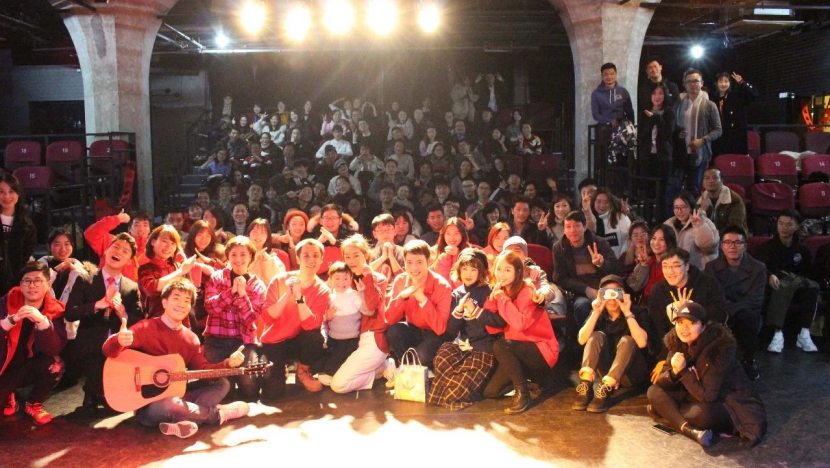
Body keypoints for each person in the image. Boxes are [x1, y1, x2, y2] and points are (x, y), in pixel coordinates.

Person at [102, 279, 250, 438]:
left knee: (222, 384)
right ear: (164, 302)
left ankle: (183, 420)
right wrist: (118, 341)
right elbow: (107, 350)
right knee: (171, 404)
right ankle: (218, 414)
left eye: (186, 301)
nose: (181, 304)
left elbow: (204, 371)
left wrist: (228, 363)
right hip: (150, 406)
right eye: (176, 298)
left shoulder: (191, 338)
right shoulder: (146, 328)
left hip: (177, 397)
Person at [647, 302, 767, 447]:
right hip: (695, 395)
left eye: (691, 323)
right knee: (653, 391)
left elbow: (707, 396)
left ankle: (667, 411)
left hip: (729, 404)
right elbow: (662, 383)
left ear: (703, 326)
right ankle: (689, 430)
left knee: (700, 414)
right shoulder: (677, 343)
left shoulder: (717, 351)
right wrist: (674, 372)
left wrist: (684, 371)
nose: (684, 328)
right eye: (680, 322)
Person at [65, 233, 143, 411]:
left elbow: (139, 320)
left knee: (113, 406)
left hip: (118, 346)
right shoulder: (86, 279)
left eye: (125, 251)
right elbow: (70, 313)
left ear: (129, 261)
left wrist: (123, 313)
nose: (118, 252)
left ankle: (101, 393)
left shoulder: (131, 287)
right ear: (106, 251)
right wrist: (97, 305)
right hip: (90, 345)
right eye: (115, 247)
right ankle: (93, 391)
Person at [481, 251, 559, 414]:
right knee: (490, 392)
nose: (501, 274)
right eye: (499, 269)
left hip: (541, 350)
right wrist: (493, 299)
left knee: (500, 345)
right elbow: (493, 328)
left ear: (517, 272)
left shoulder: (527, 290)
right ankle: (533, 382)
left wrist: (501, 298)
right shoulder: (502, 291)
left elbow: (520, 323)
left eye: (507, 270)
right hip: (517, 351)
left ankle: (523, 393)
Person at [429, 248, 505, 410]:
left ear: (481, 272)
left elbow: (499, 322)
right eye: (464, 268)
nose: (468, 273)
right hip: (464, 346)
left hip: (484, 349)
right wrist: (459, 310)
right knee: (443, 355)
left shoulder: (490, 292)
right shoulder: (457, 293)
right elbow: (451, 331)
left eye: (473, 269)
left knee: (454, 394)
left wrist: (476, 310)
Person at [260, 239, 331, 398]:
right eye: (306, 256)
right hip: (274, 340)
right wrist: (288, 294)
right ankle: (281, 369)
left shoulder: (323, 290)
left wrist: (299, 297)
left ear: (321, 260)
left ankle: (303, 371)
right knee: (273, 394)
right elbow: (269, 318)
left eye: (315, 256)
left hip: (299, 340)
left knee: (315, 338)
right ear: (298, 259)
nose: (311, 260)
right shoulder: (279, 280)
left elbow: (311, 325)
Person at [647, 247, 727, 383]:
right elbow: (657, 329)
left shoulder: (708, 284)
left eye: (675, 266)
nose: (670, 272)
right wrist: (664, 358)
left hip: (703, 347)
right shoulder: (658, 291)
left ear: (687, 266)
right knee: (659, 385)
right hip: (673, 350)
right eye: (665, 266)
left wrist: (691, 310)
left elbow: (720, 315)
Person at [1, 262, 67, 425]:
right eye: (27, 281)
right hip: (5, 364)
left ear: (48, 285)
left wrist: (42, 322)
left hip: (29, 365)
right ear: (21, 284)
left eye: (37, 281)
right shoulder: (6, 302)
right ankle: (9, 394)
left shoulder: (56, 310)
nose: (32, 286)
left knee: (55, 364)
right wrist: (10, 321)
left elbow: (53, 348)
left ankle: (33, 403)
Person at [203, 236, 266, 401]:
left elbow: (250, 318)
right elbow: (210, 307)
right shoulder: (217, 278)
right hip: (216, 341)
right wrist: (231, 292)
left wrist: (242, 294)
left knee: (249, 389)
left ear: (250, 256)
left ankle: (259, 360)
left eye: (243, 254)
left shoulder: (258, 285)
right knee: (224, 390)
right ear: (228, 256)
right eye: (234, 254)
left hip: (244, 342)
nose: (238, 259)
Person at [574, 275, 649, 413]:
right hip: (607, 372)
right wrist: (596, 312)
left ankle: (606, 390)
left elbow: (642, 342)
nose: (612, 299)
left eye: (616, 293)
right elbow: (581, 339)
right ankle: (585, 386)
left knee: (628, 340)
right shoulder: (599, 314)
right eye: (607, 293)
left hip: (630, 373)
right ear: (600, 295)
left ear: (623, 294)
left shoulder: (637, 312)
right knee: (595, 336)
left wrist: (627, 312)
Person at [329, 235, 391, 393]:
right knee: (333, 373)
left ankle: (384, 367)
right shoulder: (344, 280)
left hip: (373, 337)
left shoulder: (378, 279)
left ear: (366, 255)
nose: (352, 261)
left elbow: (370, 307)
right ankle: (381, 369)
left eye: (356, 255)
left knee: (338, 385)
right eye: (347, 257)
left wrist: (368, 277)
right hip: (352, 340)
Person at [703, 226, 765, 380]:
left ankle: (748, 360)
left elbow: (755, 299)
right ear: (721, 246)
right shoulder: (711, 267)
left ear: (745, 245)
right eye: (728, 242)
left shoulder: (758, 268)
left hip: (744, 310)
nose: (732, 246)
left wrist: (732, 310)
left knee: (748, 317)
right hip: (721, 309)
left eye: (737, 242)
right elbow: (711, 295)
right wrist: (725, 310)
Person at [755, 209, 819, 353]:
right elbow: (759, 267)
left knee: (812, 289)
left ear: (797, 226)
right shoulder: (766, 247)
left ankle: (804, 333)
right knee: (782, 285)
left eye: (789, 224)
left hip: (797, 286)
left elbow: (808, 273)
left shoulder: (803, 249)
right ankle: (777, 333)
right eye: (781, 223)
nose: (784, 227)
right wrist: (769, 275)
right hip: (774, 285)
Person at [384, 240, 452, 366]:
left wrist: (423, 300)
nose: (414, 268)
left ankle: (417, 367)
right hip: (414, 329)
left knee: (421, 356)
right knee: (394, 332)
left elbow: (440, 328)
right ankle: (408, 367)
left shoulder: (442, 286)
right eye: (409, 262)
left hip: (435, 333)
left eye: (419, 262)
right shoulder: (401, 280)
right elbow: (390, 319)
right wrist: (401, 297)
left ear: (429, 262)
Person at [552, 211, 623, 325]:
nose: (572, 230)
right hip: (581, 292)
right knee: (582, 306)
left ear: (584, 227)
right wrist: (585, 289)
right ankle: (588, 335)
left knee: (619, 303)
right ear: (564, 230)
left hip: (605, 289)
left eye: (576, 225)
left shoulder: (599, 243)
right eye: (568, 226)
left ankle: (614, 334)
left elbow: (617, 270)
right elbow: (560, 278)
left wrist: (602, 263)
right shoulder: (559, 248)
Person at [316, 262, 370, 385]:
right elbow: (323, 320)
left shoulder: (354, 295)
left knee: (342, 362)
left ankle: (337, 375)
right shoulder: (329, 296)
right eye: (337, 278)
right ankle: (330, 374)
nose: (341, 282)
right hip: (333, 339)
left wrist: (362, 293)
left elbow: (367, 311)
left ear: (351, 279)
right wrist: (326, 317)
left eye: (345, 278)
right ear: (330, 279)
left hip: (351, 340)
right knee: (326, 359)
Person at [673, 68, 722, 197]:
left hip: (700, 153)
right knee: (674, 188)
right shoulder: (679, 104)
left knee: (694, 189)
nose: (692, 84)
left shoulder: (710, 105)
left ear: (702, 83)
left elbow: (718, 130)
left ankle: (693, 211)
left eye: (696, 81)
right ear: (684, 84)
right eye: (689, 81)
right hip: (680, 152)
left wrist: (703, 140)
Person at [138, 225, 192, 322]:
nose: (168, 247)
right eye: (164, 241)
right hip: (157, 321)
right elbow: (150, 289)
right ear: (153, 242)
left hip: (181, 320)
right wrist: (180, 272)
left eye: (173, 243)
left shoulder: (178, 266)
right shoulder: (146, 269)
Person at [85, 209, 152, 282]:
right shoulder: (113, 242)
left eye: (145, 225)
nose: (141, 229)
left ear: (149, 230)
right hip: (107, 287)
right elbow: (90, 234)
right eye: (136, 225)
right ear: (129, 229)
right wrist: (117, 219)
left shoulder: (154, 249)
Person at [0, 173, 36, 297]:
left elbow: (26, 254)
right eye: (1, 192)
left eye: (11, 191)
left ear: (18, 193)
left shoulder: (27, 225)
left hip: (16, 282)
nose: (6, 196)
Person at [665, 191, 719, 269]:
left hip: (701, 270)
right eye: (676, 207)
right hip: (677, 270)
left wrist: (700, 226)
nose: (679, 211)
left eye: (683, 207)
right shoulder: (669, 224)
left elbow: (709, 246)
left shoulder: (705, 222)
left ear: (692, 207)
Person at [711, 72, 758, 157]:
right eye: (720, 81)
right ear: (716, 83)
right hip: (720, 140)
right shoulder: (713, 99)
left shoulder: (736, 96)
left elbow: (753, 95)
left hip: (737, 138)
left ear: (730, 83)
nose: (723, 84)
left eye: (726, 81)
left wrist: (742, 82)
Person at [628, 224, 678, 302]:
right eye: (654, 238)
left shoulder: (675, 263)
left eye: (661, 239)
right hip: (644, 305)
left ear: (669, 242)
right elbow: (633, 286)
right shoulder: (649, 260)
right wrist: (643, 265)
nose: (656, 243)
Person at [637, 83, 676, 181]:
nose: (657, 97)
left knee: (662, 186)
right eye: (654, 93)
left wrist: (656, 117)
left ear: (665, 95)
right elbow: (641, 135)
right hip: (646, 156)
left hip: (663, 157)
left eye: (660, 93)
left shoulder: (669, 112)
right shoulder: (644, 113)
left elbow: (666, 134)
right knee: (646, 186)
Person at [697, 168, 747, 235]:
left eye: (715, 178)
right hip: (708, 237)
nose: (710, 181)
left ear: (722, 181)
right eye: (707, 178)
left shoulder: (734, 200)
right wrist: (703, 211)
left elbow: (734, 227)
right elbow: (697, 226)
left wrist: (714, 236)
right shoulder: (700, 200)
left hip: (731, 237)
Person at [585, 188, 632, 258]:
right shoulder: (587, 219)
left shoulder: (621, 218)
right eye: (598, 202)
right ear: (593, 202)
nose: (602, 205)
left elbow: (628, 242)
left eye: (606, 202)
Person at [431, 217, 474, 287]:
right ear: (443, 235)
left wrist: (458, 256)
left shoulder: (470, 252)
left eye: (456, 234)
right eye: (448, 234)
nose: (452, 238)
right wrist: (445, 256)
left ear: (462, 234)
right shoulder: (433, 252)